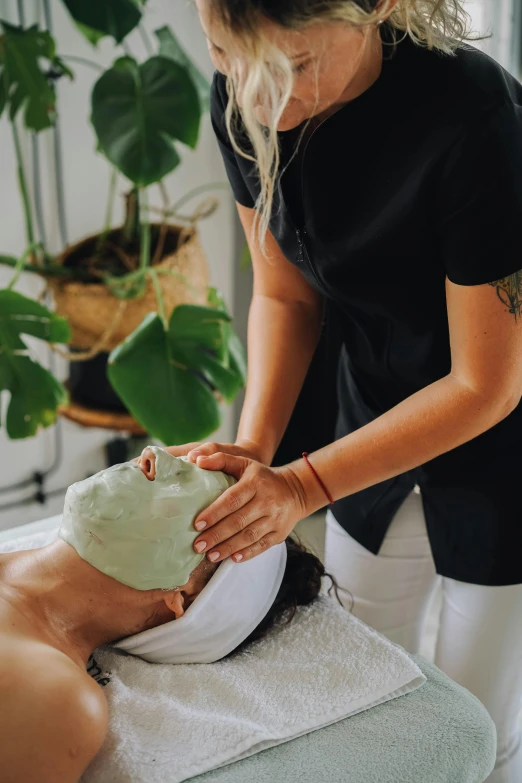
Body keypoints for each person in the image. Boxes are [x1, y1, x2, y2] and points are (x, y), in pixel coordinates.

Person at [165, 2, 522, 781]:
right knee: (358, 683)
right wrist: (256, 449)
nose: (259, 103)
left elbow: (485, 384)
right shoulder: (245, 91)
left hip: (504, 444)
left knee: (478, 725)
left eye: (295, 68)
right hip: (372, 413)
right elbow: (287, 297)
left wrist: (300, 483)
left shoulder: (476, 121)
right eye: (224, 54)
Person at [0, 447, 325, 783]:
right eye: (187, 464)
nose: (153, 454)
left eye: (197, 483)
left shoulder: (55, 702)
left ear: (183, 596)